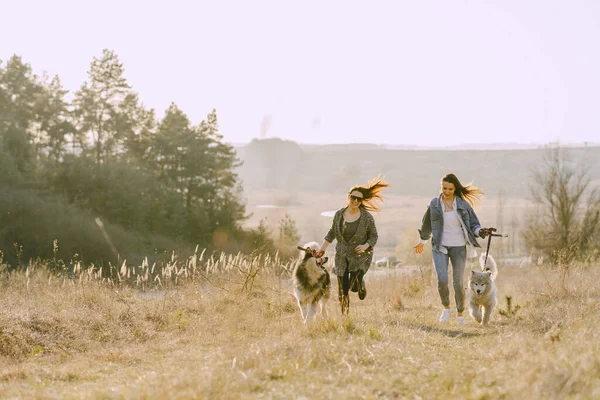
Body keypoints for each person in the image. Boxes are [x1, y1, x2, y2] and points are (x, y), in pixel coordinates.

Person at [414, 173, 490, 325]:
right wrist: (422, 241)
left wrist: (480, 231)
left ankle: (460, 314)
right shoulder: (435, 204)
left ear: (455, 189)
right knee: (442, 280)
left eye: (450, 189)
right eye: (444, 188)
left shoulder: (462, 204)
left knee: (458, 282)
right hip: (439, 246)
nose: (446, 191)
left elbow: (474, 224)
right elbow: (426, 224)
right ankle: (446, 309)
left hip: (458, 247)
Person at [316, 176, 388, 303]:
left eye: (359, 199)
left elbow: (374, 236)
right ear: (348, 197)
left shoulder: (367, 217)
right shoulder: (339, 214)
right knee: (342, 290)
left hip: (359, 256)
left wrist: (365, 246)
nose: (355, 201)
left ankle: (360, 284)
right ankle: (345, 318)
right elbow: (332, 232)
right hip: (341, 256)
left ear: (361, 201)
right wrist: (322, 249)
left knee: (353, 287)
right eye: (353, 197)